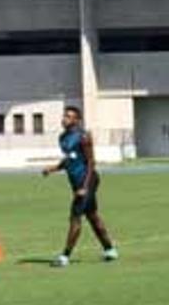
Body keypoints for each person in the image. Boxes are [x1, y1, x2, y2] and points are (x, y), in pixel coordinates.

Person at [40, 105, 117, 267]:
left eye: (68, 116)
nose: (64, 119)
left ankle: (65, 256)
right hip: (76, 183)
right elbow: (69, 160)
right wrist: (53, 168)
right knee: (92, 216)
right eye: (64, 116)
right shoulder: (62, 138)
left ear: (77, 120)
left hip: (88, 181)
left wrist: (84, 187)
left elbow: (91, 163)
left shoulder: (84, 137)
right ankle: (110, 250)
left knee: (75, 216)